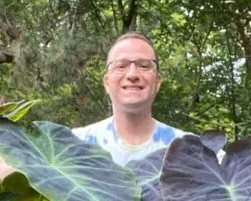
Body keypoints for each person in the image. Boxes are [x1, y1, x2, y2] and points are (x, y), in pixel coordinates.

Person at [73, 32, 185, 165]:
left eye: (144, 65)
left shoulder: (187, 148)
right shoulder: (76, 145)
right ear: (107, 83)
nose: (132, 75)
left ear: (158, 82)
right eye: (121, 66)